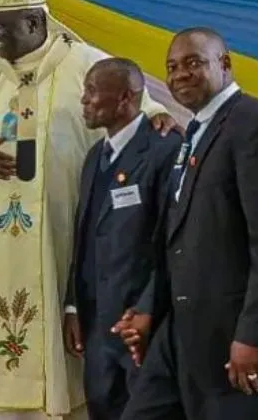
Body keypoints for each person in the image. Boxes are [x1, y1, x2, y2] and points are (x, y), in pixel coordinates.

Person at [0, 0, 176, 419]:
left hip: (66, 239)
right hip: (1, 244)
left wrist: (162, 120)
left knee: (71, 373)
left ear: (34, 20)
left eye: (0, 26)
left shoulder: (90, 68)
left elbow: (146, 116)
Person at [117, 27, 258, 420]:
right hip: (183, 336)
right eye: (172, 67)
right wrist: (147, 306)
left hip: (239, 345)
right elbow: (180, 239)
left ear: (225, 64)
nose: (180, 74)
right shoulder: (193, 133)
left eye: (193, 62)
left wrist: (255, 336)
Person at [62, 58, 181, 419]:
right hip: (97, 327)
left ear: (126, 98)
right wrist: (72, 306)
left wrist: (148, 309)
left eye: (93, 91)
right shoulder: (95, 156)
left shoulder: (165, 149)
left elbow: (171, 241)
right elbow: (84, 237)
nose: (84, 100)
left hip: (143, 328)